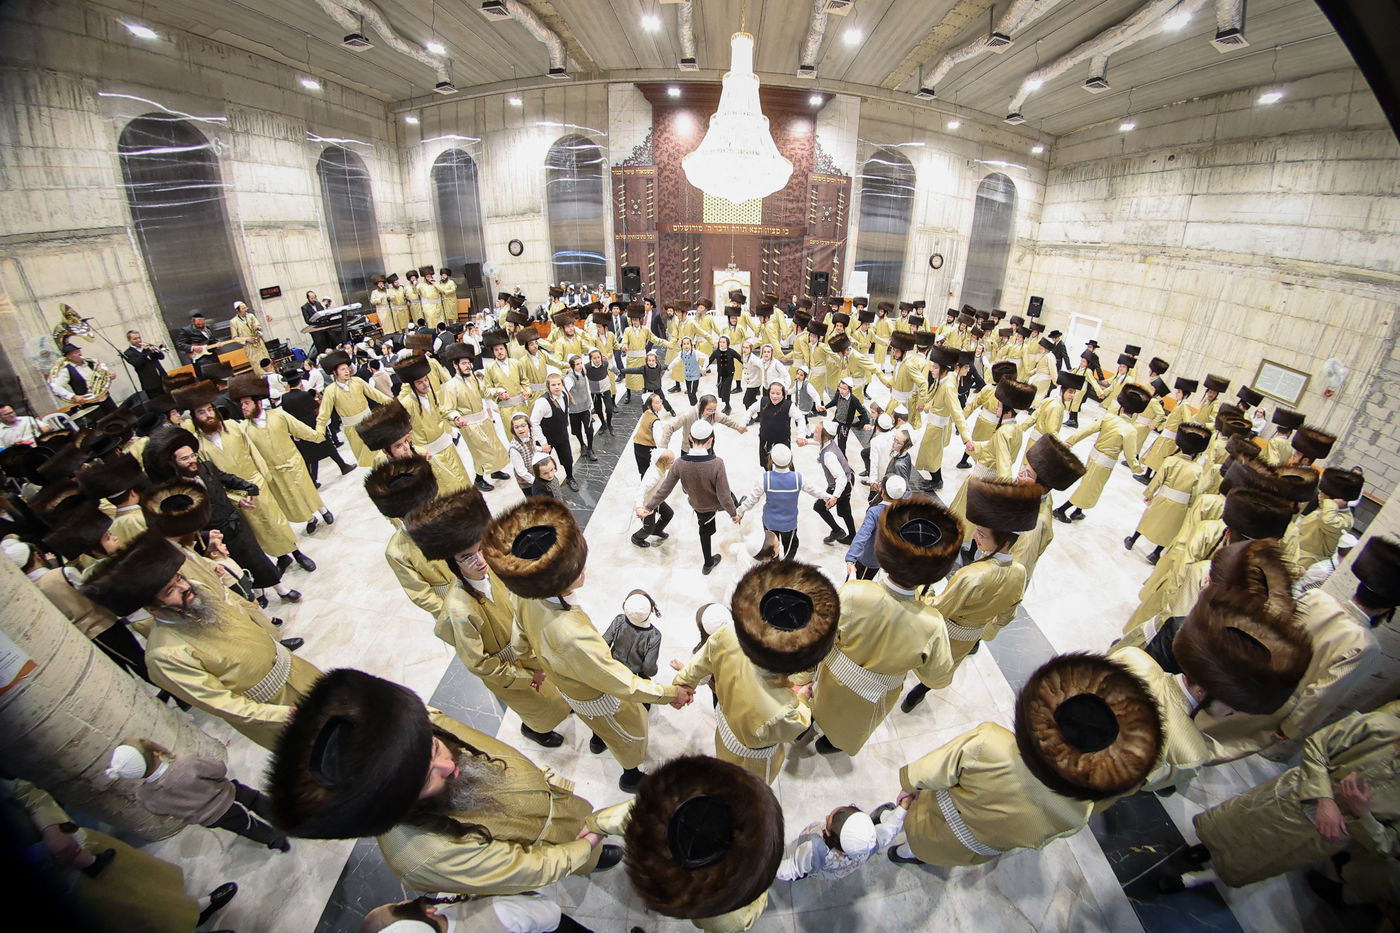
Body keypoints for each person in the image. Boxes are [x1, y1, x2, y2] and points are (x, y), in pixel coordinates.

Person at [267, 668, 630, 892]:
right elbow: (528, 869)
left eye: (433, 745)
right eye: (426, 778)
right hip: (546, 847)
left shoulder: (413, 731)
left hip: (553, 805)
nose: (446, 765)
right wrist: (585, 847)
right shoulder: (426, 856)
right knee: (583, 855)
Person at [482, 498, 691, 792]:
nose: (583, 569)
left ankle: (598, 738)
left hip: (568, 686)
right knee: (629, 735)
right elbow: (621, 683)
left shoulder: (525, 595)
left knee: (601, 728)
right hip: (599, 699)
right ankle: (630, 776)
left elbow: (519, 638)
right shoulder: (572, 634)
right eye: (577, 567)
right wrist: (670, 693)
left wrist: (533, 664)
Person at [889, 653, 1162, 867]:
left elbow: (932, 769)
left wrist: (910, 783)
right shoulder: (1077, 814)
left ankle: (906, 849)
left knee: (917, 836)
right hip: (976, 850)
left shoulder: (991, 742)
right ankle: (913, 854)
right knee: (934, 852)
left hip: (935, 818)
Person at [82, 533, 321, 749]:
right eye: (169, 591)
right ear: (151, 608)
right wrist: (284, 715)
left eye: (179, 578)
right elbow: (222, 704)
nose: (186, 587)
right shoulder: (165, 655)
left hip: (300, 672)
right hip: (275, 712)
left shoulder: (198, 594)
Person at [1155, 701, 1400, 903]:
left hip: (1322, 834)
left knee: (1257, 859)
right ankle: (1207, 847)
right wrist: (1325, 798)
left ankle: (1201, 878)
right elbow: (1319, 744)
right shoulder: (1382, 726)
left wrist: (1363, 814)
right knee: (1235, 823)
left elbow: (1388, 847)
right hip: (1293, 793)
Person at [403, 488, 570, 748]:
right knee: (534, 704)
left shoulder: (493, 570)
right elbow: (478, 663)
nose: (479, 561)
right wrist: (525, 676)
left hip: (529, 648)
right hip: (507, 669)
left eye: (480, 550)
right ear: (453, 563)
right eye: (466, 557)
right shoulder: (460, 609)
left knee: (552, 688)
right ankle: (535, 729)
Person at [813, 495, 960, 755]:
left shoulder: (853, 593)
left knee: (822, 703)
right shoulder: (932, 624)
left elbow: (819, 635)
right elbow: (938, 677)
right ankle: (835, 743)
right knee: (852, 725)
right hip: (876, 695)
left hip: (832, 676)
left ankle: (813, 719)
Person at [670, 561, 833, 784]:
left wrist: (684, 682)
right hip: (755, 761)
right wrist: (802, 695)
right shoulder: (782, 709)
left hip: (725, 732)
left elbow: (702, 660)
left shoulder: (729, 633)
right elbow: (799, 723)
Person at [7, 778, 236, 931]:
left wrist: (51, 827)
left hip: (70, 845)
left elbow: (22, 789)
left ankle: (193, 911)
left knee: (139, 891)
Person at [141, 425, 301, 604]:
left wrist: (249, 487)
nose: (192, 460)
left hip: (234, 522)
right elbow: (181, 526)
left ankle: (281, 589)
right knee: (236, 567)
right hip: (214, 536)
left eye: (193, 455)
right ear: (173, 462)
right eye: (185, 459)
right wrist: (206, 537)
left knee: (256, 557)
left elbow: (226, 478)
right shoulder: (174, 492)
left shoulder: (206, 467)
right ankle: (257, 594)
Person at [175, 381, 314, 576]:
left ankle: (297, 553)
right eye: (201, 412)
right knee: (255, 530)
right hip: (233, 495)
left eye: (209, 410)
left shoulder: (233, 426)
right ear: (195, 417)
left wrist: (264, 478)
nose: (208, 415)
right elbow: (212, 477)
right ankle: (281, 558)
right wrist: (233, 498)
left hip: (256, 482)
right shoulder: (199, 445)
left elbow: (254, 451)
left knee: (275, 521)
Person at [103, 739, 289, 851]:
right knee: (256, 800)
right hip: (228, 794)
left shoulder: (144, 796)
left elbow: (164, 813)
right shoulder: (186, 763)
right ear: (155, 753)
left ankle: (276, 841)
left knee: (247, 827)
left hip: (211, 818)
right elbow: (219, 769)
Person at [228, 373, 334, 535]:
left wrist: (318, 435)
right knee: (291, 499)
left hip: (293, 462)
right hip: (273, 471)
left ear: (259, 403)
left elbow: (300, 429)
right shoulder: (244, 429)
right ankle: (310, 519)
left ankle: (323, 510)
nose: (244, 407)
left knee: (306, 491)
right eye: (242, 405)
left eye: (247, 403)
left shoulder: (279, 415)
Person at [639, 419, 739, 576]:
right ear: (710, 441)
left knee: (704, 531)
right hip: (714, 505)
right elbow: (724, 495)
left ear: (690, 439)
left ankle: (708, 563)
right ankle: (708, 562)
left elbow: (665, 489)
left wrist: (648, 507)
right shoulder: (717, 463)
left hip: (698, 506)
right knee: (730, 500)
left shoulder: (679, 463)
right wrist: (734, 514)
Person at [1053, 383, 1152, 523]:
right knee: (1089, 488)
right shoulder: (1130, 431)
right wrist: (1137, 468)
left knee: (1088, 484)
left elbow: (1086, 430)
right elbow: (1130, 456)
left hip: (1093, 456)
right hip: (1104, 463)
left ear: (1121, 406)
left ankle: (1077, 511)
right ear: (1135, 412)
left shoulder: (1109, 418)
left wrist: (1070, 441)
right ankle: (1061, 510)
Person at [735, 443, 827, 560]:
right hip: (789, 524)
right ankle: (785, 569)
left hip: (769, 522)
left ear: (771, 460)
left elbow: (751, 499)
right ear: (790, 460)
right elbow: (815, 490)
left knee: (771, 548)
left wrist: (740, 511)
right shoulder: (798, 478)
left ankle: (774, 563)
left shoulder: (765, 478)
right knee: (791, 547)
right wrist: (829, 497)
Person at [395, 354, 472, 493]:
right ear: (411, 386)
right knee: (446, 489)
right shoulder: (406, 404)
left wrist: (455, 417)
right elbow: (403, 433)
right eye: (420, 382)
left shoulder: (431, 394)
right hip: (430, 454)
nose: (425, 385)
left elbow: (442, 410)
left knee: (461, 480)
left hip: (447, 445)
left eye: (426, 380)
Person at [777, 802, 906, 882]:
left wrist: (766, 867)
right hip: (836, 873)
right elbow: (889, 831)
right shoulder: (870, 845)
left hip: (816, 864)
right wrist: (902, 809)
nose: (827, 816)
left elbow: (793, 869)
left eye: (828, 822)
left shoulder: (815, 849)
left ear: (829, 836)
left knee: (807, 867)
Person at [315, 350, 395, 466]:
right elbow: (324, 413)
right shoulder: (330, 391)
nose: (347, 371)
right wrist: (320, 430)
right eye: (343, 369)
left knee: (382, 454)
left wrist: (393, 404)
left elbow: (376, 395)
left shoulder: (357, 381)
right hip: (352, 430)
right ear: (335, 372)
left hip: (370, 423)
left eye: (347, 368)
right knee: (368, 461)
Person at [278, 367, 354, 484]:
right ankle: (343, 466)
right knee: (329, 448)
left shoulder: (285, 398)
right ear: (300, 381)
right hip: (314, 426)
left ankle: (313, 480)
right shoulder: (304, 395)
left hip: (299, 429)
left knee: (311, 456)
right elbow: (316, 408)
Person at [1297, 467, 1364, 568]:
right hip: (1296, 547)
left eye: (1323, 494)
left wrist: (1332, 503)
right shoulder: (1326, 508)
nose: (1320, 496)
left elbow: (1327, 521)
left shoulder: (1346, 519)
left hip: (1305, 560)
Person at [845, 474, 908, 580]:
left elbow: (862, 535)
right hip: (880, 559)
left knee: (855, 585)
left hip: (867, 559)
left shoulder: (875, 512)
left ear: (883, 492)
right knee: (867, 582)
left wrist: (851, 559)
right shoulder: (903, 512)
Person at [808, 418, 858, 546]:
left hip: (841, 485)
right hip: (849, 479)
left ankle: (837, 531)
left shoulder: (829, 456)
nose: (814, 431)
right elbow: (820, 444)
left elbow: (840, 478)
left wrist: (835, 496)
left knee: (819, 506)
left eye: (817, 431)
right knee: (845, 511)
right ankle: (852, 536)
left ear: (825, 436)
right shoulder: (830, 443)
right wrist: (806, 442)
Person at [529, 371, 579, 492]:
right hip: (546, 439)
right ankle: (544, 486)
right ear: (548, 387)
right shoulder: (542, 402)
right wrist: (543, 442)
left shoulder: (565, 395)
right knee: (543, 465)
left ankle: (570, 477)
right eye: (553, 385)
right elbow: (534, 422)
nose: (557, 387)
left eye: (559, 384)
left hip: (561, 435)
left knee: (567, 458)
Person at [603, 589, 663, 682]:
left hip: (612, 670)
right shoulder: (654, 635)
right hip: (633, 679)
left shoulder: (619, 620)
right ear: (652, 609)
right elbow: (649, 669)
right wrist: (653, 670)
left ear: (625, 606)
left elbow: (603, 644)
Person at [746, 382, 807, 468]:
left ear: (783, 394)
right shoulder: (763, 401)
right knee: (766, 465)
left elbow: (800, 418)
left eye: (778, 393)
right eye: (772, 393)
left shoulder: (788, 405)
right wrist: (743, 423)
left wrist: (801, 435)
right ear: (768, 393)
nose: (774, 396)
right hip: (765, 441)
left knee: (786, 465)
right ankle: (770, 479)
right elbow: (751, 410)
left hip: (782, 441)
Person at [49, 342, 116, 412]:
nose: (80, 354)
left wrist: (109, 376)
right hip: (89, 404)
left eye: (78, 351)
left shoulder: (91, 363)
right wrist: (73, 396)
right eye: (75, 353)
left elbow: (102, 374)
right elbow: (56, 387)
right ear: (69, 357)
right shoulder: (66, 370)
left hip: (106, 398)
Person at [632, 448, 675, 548]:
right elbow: (641, 491)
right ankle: (637, 538)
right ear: (663, 462)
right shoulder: (653, 476)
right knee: (648, 529)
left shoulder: (660, 468)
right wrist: (639, 507)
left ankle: (657, 530)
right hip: (646, 505)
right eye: (671, 462)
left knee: (668, 514)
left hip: (655, 501)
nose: (673, 464)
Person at [122, 329, 168, 399]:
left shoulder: (147, 347)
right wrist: (144, 351)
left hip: (163, 378)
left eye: (139, 338)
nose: (138, 340)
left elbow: (161, 357)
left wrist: (154, 350)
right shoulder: (128, 353)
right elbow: (137, 363)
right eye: (135, 339)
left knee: (172, 401)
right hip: (150, 383)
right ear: (129, 340)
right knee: (160, 404)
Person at [706, 335, 743, 415]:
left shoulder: (731, 351)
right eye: (720, 342)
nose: (721, 344)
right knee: (720, 391)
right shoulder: (716, 352)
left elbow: (740, 358)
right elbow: (709, 360)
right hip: (721, 374)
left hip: (730, 373)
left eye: (724, 342)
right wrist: (703, 368)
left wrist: (747, 365)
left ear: (727, 343)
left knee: (726, 390)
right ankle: (726, 404)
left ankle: (728, 406)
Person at [230, 300, 267, 365]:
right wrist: (246, 339)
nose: (246, 309)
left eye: (246, 307)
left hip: (259, 343)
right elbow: (235, 338)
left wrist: (258, 328)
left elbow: (259, 326)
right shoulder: (233, 322)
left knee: (267, 362)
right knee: (257, 366)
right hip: (250, 348)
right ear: (237, 310)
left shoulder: (251, 316)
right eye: (243, 308)